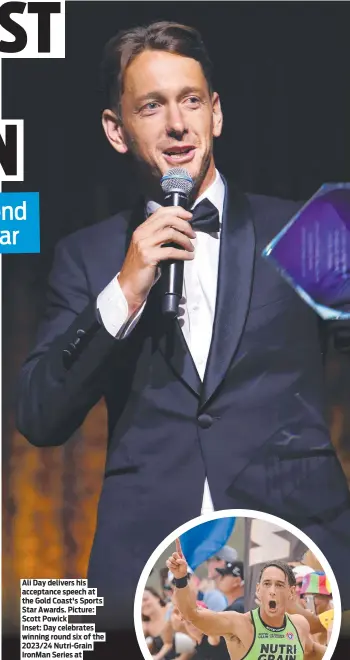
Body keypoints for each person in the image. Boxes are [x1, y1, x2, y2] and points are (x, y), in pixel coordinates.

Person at [15, 20, 350, 628]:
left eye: (190, 100)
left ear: (216, 114)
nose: (177, 124)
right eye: (151, 106)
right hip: (148, 584)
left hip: (297, 563)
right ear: (116, 131)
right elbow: (39, 415)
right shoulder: (87, 257)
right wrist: (125, 289)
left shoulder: (305, 228)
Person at [167, 540, 326, 660]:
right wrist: (180, 579)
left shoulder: (299, 625)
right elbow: (192, 614)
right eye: (266, 584)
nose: (272, 591)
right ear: (258, 590)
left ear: (291, 592)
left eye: (279, 585)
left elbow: (314, 651)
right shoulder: (239, 622)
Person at [142, 587, 176, 660]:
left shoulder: (172, 610)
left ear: (157, 598)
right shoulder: (145, 627)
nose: (142, 605)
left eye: (145, 599)